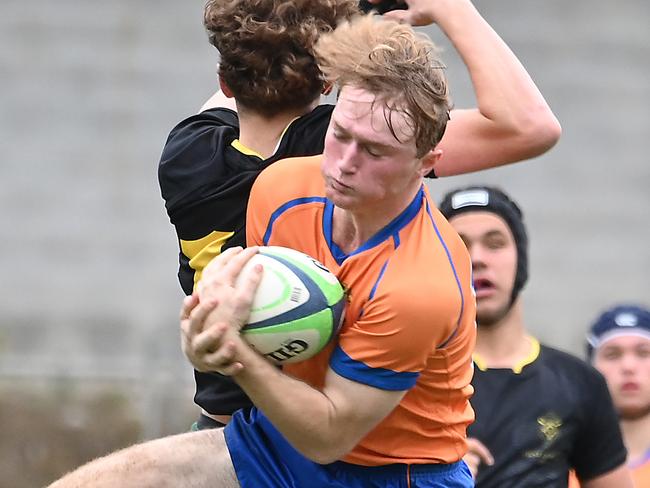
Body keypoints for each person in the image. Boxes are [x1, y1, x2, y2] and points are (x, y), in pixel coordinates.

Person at [50, 15, 477, 487]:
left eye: (375, 152)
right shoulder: (280, 188)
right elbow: (259, 325)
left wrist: (232, 353)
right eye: (340, 134)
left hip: (393, 472)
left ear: (427, 163)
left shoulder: (420, 285)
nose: (344, 163)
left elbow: (329, 434)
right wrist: (212, 323)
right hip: (277, 442)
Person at [158, 0, 561, 430]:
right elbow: (531, 126)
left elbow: (249, 59)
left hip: (217, 421)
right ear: (331, 82)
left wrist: (319, 25)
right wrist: (451, 9)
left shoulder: (187, 152)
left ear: (225, 80)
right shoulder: (342, 149)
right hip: (301, 426)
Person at [438, 185, 634, 488]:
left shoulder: (580, 382)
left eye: (495, 243)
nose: (476, 259)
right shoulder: (412, 376)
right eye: (459, 246)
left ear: (521, 259)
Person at [575, 305, 650, 487]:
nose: (628, 366)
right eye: (612, 354)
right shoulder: (561, 458)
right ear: (591, 369)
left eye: (643, 353)